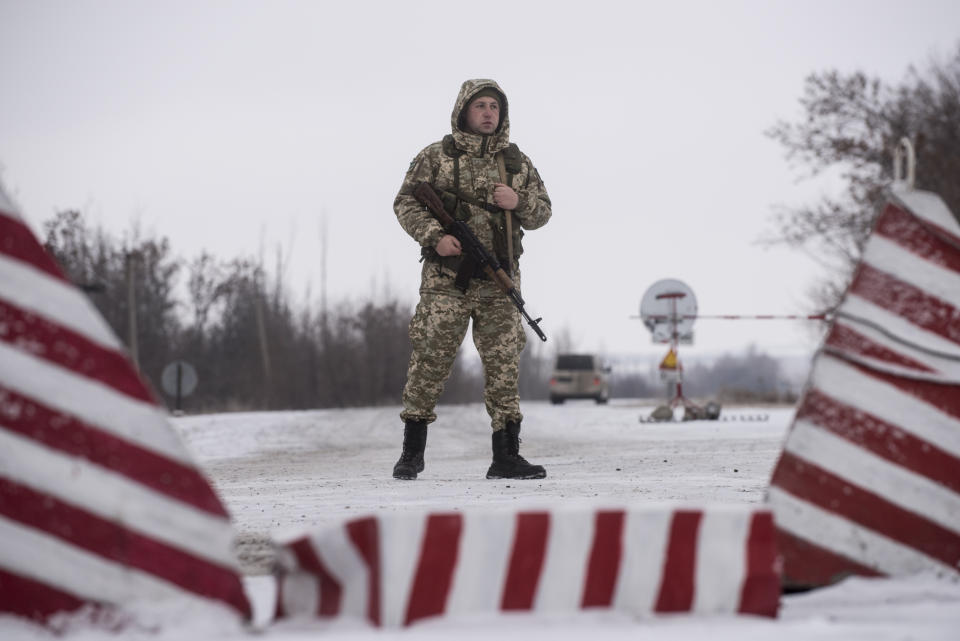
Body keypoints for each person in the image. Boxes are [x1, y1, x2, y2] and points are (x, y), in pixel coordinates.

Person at [392, 79, 552, 480]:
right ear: (464, 110)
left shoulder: (517, 163)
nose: (487, 113)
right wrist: (436, 238)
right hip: (446, 281)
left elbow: (543, 212)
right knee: (430, 359)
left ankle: (506, 456)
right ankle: (412, 453)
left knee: (503, 367)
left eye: (494, 107)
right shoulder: (436, 156)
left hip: (499, 281)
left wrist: (519, 202)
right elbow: (405, 202)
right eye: (479, 105)